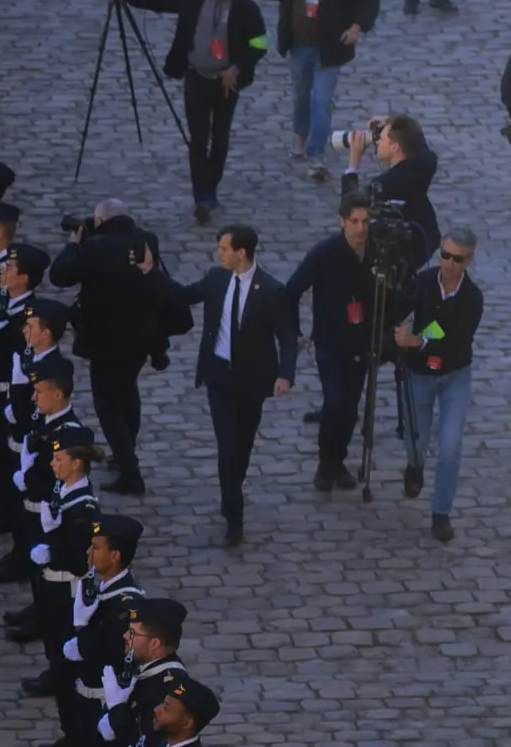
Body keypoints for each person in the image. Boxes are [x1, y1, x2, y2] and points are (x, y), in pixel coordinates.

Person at [115, 0, 268, 219]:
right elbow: (162, 1)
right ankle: (203, 197)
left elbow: (260, 45)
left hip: (225, 84)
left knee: (220, 140)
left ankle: (210, 187)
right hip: (196, 78)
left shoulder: (246, 8)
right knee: (198, 141)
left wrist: (236, 69)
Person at [181, 223, 296, 547]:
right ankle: (234, 514)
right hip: (219, 376)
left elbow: (286, 336)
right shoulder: (217, 279)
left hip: (252, 381)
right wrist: (149, 273)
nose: (220, 253)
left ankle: (231, 488)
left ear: (241, 253)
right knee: (228, 446)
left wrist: (285, 374)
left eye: (224, 249)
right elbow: (185, 294)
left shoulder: (271, 290)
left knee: (242, 446)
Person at [254, 0, 380, 178]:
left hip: (330, 46)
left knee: (322, 100)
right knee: (301, 95)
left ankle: (316, 154)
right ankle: (300, 133)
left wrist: (357, 26)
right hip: (300, 41)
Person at [48, 199, 163, 492]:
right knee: (128, 393)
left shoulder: (96, 248)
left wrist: (74, 245)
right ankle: (126, 454)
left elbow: (59, 275)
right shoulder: (146, 240)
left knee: (108, 406)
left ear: (99, 221)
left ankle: (130, 473)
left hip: (106, 339)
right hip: (140, 338)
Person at [390, 229, 481, 542]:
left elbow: (454, 336)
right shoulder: (423, 282)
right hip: (419, 375)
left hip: (455, 375)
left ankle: (441, 512)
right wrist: (398, 332)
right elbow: (395, 311)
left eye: (456, 258)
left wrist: (418, 340)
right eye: (444, 255)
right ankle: (414, 465)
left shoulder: (472, 297)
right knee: (417, 440)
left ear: (468, 260)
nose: (449, 263)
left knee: (450, 446)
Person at [284, 195, 373, 490]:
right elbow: (291, 290)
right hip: (330, 343)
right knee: (335, 401)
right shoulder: (325, 254)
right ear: (342, 221)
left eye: (365, 222)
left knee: (349, 407)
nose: (360, 228)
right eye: (355, 221)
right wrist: (295, 332)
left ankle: (337, 461)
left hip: (362, 344)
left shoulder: (377, 253)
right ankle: (326, 461)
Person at [343, 113, 440, 258]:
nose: (376, 143)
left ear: (395, 147)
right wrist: (390, 123)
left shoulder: (386, 183)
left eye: (381, 139)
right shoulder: (426, 163)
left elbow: (350, 204)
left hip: (404, 250)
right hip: (427, 236)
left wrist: (353, 162)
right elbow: (416, 137)